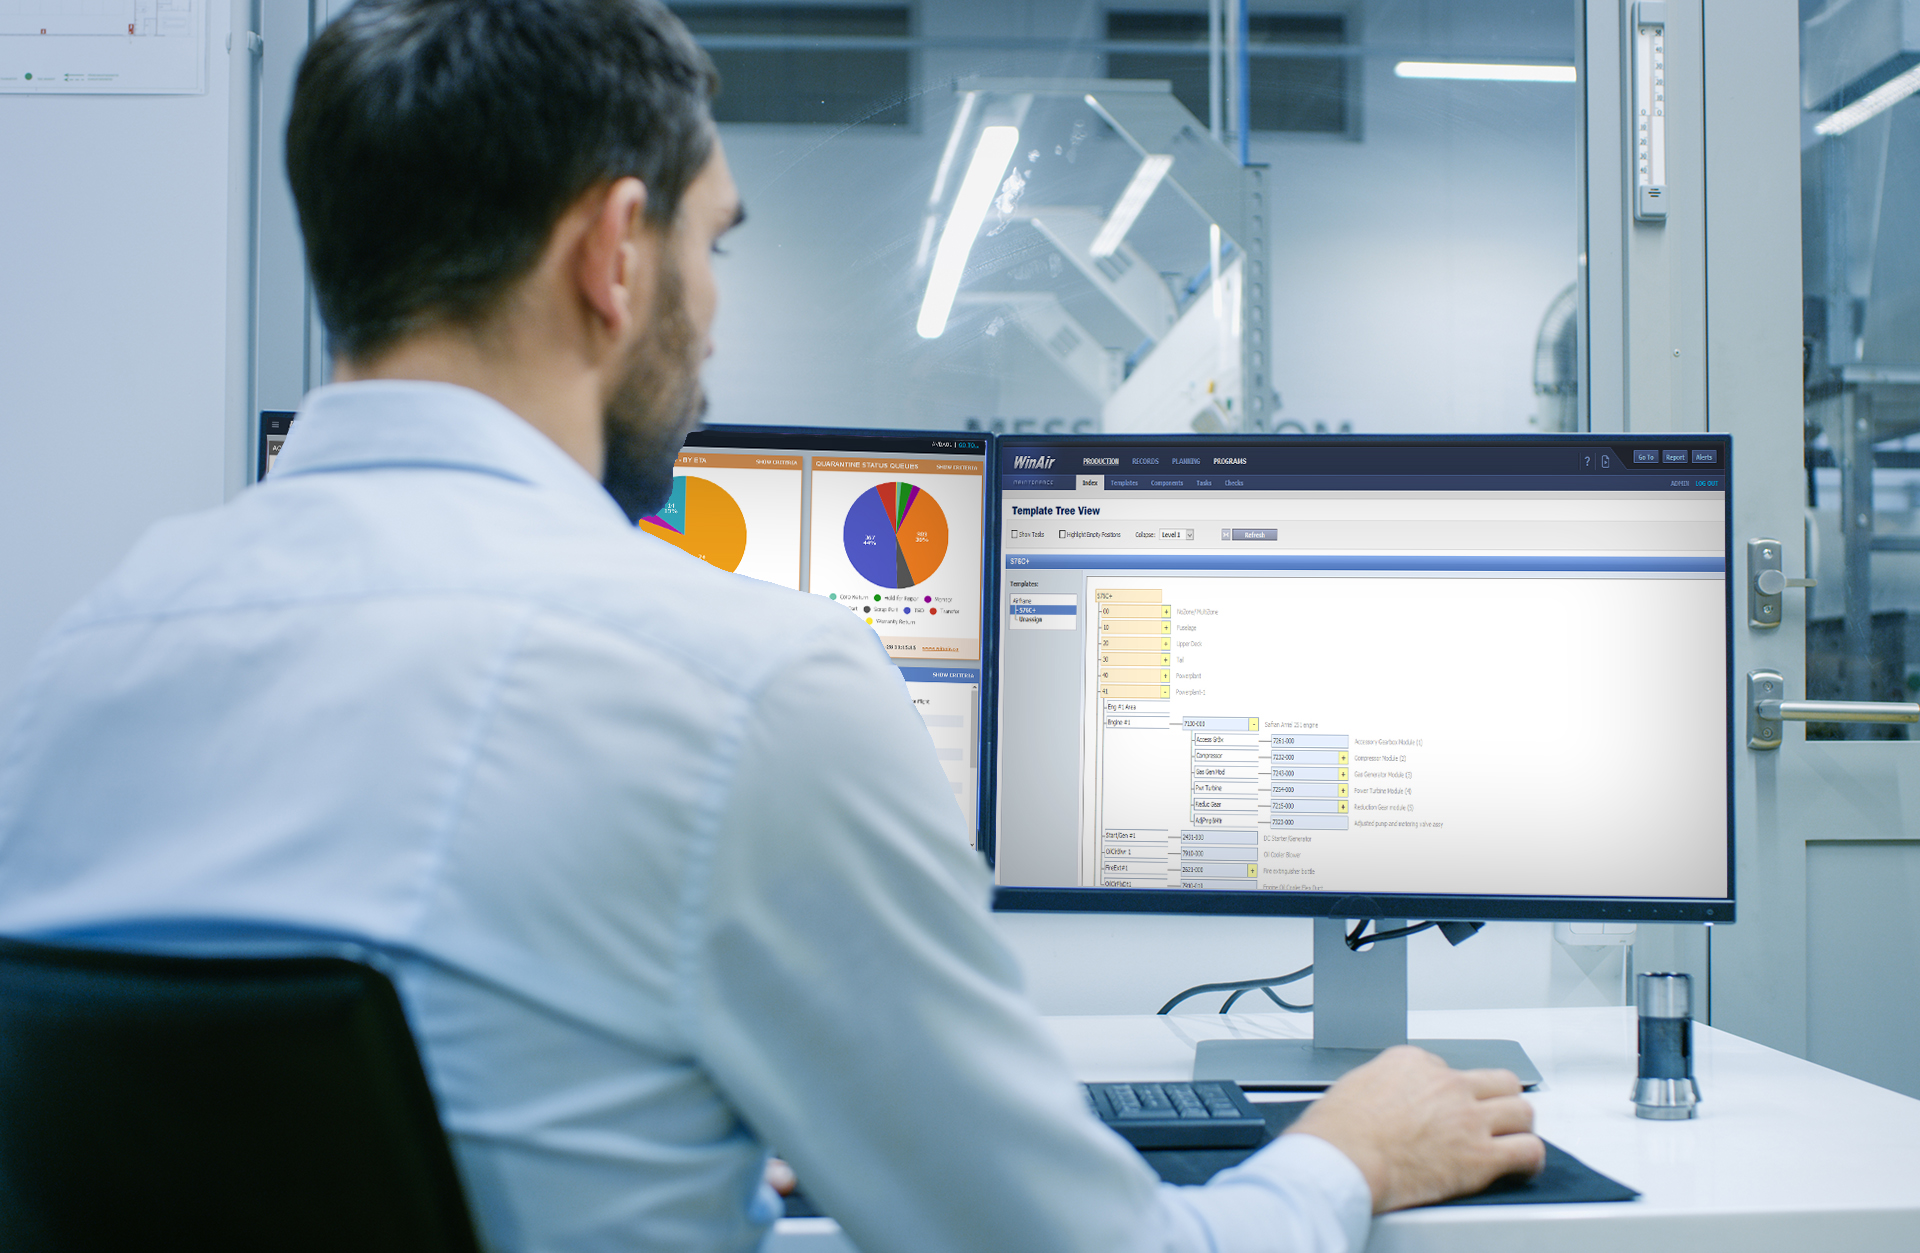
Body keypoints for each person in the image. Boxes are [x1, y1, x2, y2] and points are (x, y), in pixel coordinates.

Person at [0, 2, 1543, 1249]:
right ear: (615, 255)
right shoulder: (741, 688)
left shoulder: (82, 668)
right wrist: (1347, 1153)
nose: (714, 310)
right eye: (712, 244)